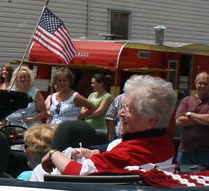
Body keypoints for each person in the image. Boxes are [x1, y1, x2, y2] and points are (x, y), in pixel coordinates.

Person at [41, 74, 177, 176]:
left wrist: (54, 153)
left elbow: (77, 172)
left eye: (128, 109)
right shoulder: (163, 143)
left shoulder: (132, 152)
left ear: (151, 120)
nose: (121, 113)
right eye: (122, 106)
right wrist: (95, 152)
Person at [174, 72, 209, 168]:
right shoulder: (186, 100)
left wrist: (189, 114)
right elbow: (179, 121)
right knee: (181, 180)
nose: (202, 86)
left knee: (206, 180)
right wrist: (202, 119)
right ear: (195, 83)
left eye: (205, 84)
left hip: (206, 153)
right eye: (200, 83)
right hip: (185, 151)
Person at [82, 73, 114, 142]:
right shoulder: (91, 95)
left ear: (101, 84)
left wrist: (86, 114)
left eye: (93, 83)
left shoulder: (107, 96)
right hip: (87, 128)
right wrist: (88, 112)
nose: (91, 85)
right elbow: (82, 109)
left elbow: (98, 112)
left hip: (99, 130)